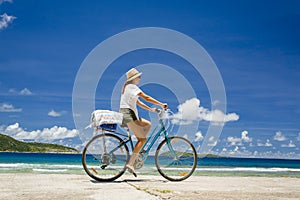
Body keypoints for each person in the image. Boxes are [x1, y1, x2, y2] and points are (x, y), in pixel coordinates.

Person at [120, 68, 167, 177]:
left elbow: (139, 103)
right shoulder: (132, 87)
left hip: (129, 114)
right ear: (134, 79)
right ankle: (131, 163)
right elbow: (146, 97)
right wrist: (161, 104)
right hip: (128, 114)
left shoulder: (128, 88)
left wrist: (151, 110)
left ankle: (139, 148)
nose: (140, 78)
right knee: (143, 139)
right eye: (138, 77)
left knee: (148, 124)